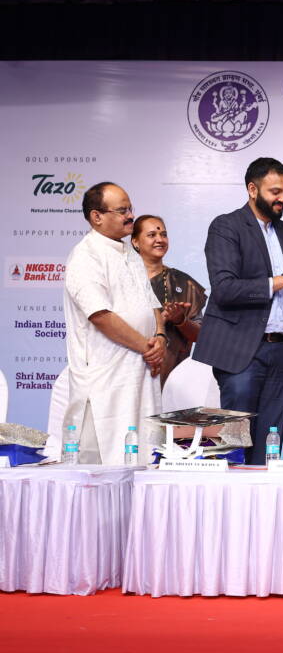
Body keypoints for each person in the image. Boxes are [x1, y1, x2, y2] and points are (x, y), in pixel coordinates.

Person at [193, 157, 283, 464]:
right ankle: (230, 510)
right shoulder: (226, 226)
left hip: (281, 351)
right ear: (252, 189)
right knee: (234, 445)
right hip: (242, 353)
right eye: (275, 191)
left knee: (270, 446)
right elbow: (224, 289)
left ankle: (261, 510)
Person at [62, 182, 166, 464]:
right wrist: (148, 347)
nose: (130, 215)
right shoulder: (85, 256)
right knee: (101, 469)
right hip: (105, 382)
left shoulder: (129, 253)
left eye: (130, 208)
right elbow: (100, 316)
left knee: (143, 458)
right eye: (122, 210)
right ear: (97, 216)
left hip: (139, 375)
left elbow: (152, 304)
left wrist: (161, 337)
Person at [131, 214, 207, 386]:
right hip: (127, 370)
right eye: (152, 235)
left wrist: (180, 320)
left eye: (163, 234)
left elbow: (201, 336)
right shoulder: (122, 279)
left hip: (170, 375)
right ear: (135, 242)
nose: (160, 239)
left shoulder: (183, 283)